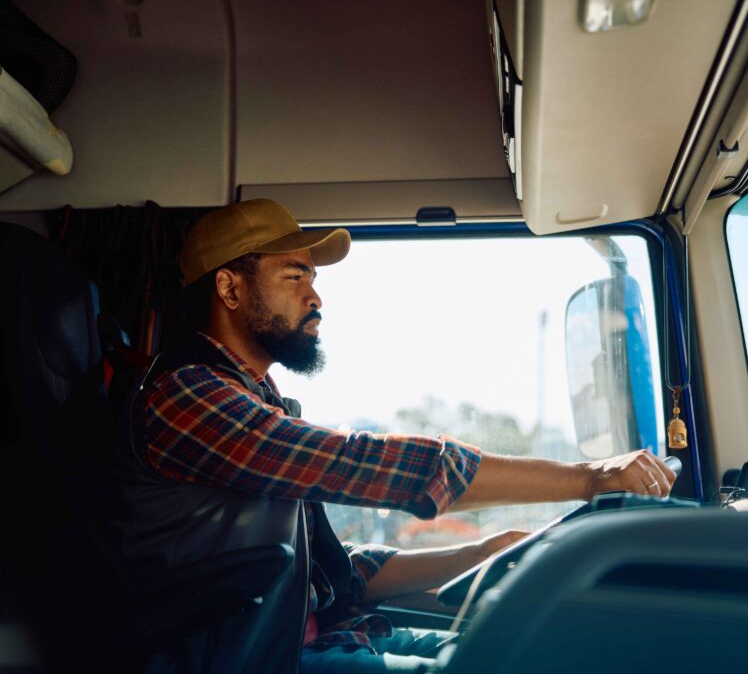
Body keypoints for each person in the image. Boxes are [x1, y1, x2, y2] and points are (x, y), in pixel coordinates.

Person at [110, 199, 676, 673]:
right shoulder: (187, 398)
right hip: (264, 660)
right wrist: (590, 478)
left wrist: (482, 552)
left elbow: (335, 576)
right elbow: (362, 464)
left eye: (314, 278)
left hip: (328, 637)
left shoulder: (258, 402)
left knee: (532, 653)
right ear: (230, 290)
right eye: (294, 276)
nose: (316, 297)